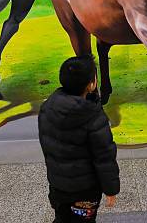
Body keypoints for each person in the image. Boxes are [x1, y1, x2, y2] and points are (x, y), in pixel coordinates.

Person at [38, 55, 120, 222]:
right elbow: (104, 157)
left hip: (57, 186)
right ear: (91, 84)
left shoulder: (48, 107)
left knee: (61, 219)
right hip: (85, 192)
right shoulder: (93, 117)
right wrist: (111, 189)